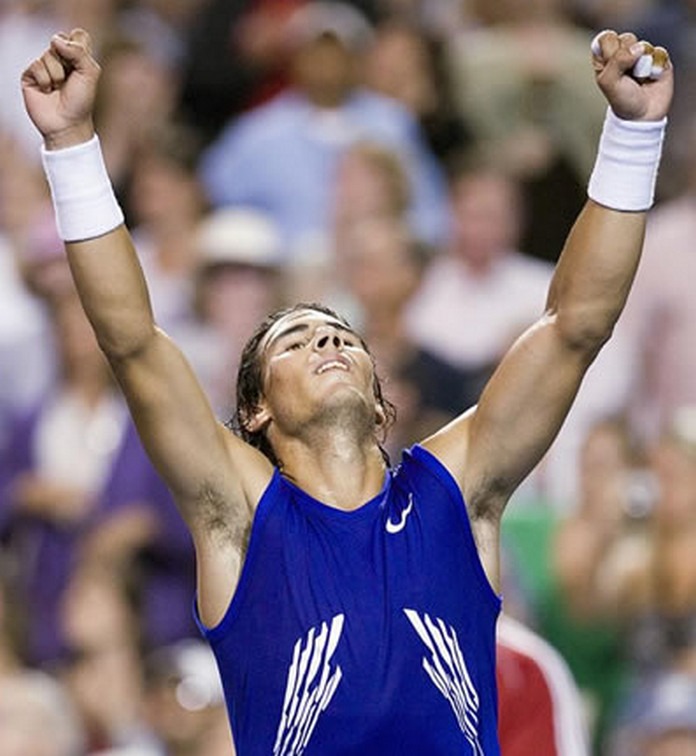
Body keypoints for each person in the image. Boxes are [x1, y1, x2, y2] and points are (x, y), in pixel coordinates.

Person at [20, 25, 673, 755]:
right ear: (256, 410)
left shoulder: (455, 492)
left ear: (380, 398)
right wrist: (72, 141)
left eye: (341, 337)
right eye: (294, 342)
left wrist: (632, 135)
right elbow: (132, 341)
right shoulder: (239, 515)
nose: (327, 341)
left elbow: (574, 326)